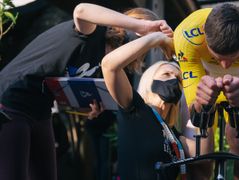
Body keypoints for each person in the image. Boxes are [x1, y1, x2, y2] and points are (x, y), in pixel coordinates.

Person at [0, 3, 173, 180]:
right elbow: (81, 10)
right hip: (11, 100)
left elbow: (61, 91)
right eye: (145, 41)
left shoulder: (100, 62)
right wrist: (145, 27)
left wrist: (85, 108)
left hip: (40, 111)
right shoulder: (92, 32)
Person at [173, 3, 239, 180]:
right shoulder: (186, 34)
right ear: (203, 34)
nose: (225, 66)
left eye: (234, 57)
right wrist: (201, 104)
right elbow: (196, 113)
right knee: (199, 142)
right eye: (217, 57)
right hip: (204, 78)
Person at [101, 31, 213, 180]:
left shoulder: (173, 134)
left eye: (179, 79)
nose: (174, 79)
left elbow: (203, 156)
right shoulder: (136, 110)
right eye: (166, 74)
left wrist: (206, 102)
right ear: (149, 80)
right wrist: (157, 38)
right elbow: (109, 65)